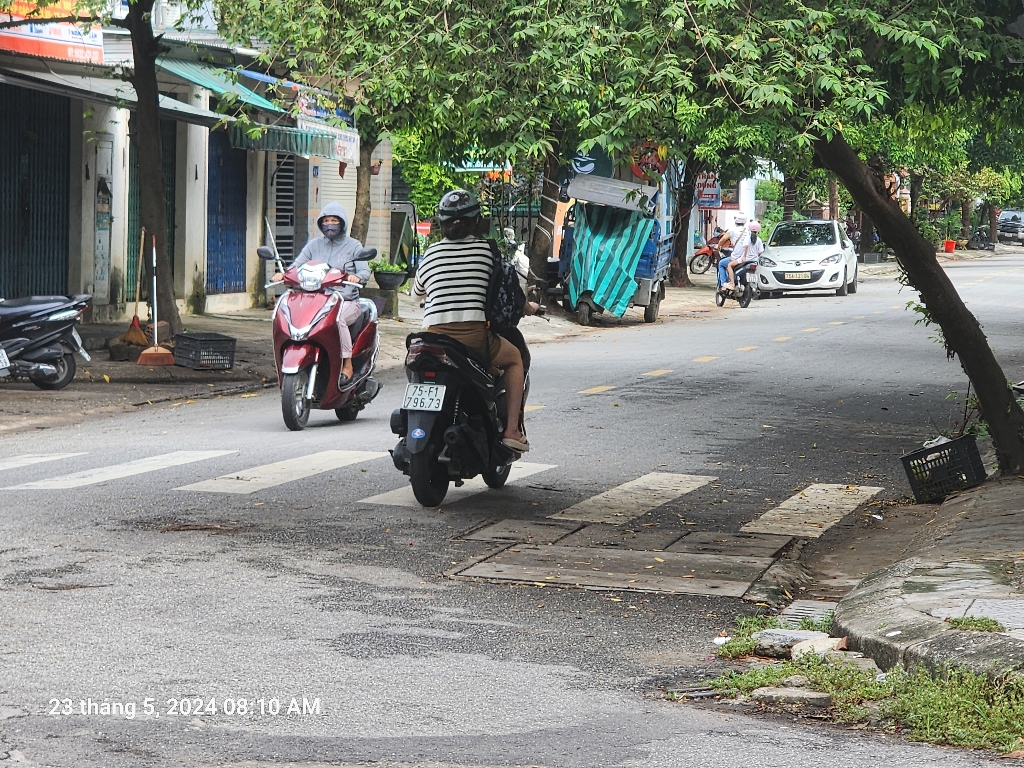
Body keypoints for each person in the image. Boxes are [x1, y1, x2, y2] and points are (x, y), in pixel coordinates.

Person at [412, 189, 529, 452]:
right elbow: (505, 290)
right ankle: (512, 430)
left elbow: (417, 294)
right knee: (514, 359)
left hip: (433, 338)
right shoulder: (487, 251)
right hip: (473, 338)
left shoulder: (431, 252)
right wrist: (528, 307)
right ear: (476, 221)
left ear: (441, 223)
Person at [273, 201, 369, 383]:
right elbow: (296, 266)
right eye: (326, 221)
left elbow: (364, 272)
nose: (329, 224)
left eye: (334, 220)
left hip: (345, 301)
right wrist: (283, 275)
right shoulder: (314, 245)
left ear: (342, 223)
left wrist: (356, 277)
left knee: (338, 319)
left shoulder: (354, 246)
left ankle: (347, 364)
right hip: (317, 300)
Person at [725, 220, 763, 288]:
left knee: (729, 265)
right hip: (755, 260)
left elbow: (746, 246)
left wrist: (744, 256)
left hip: (746, 260)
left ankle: (732, 283)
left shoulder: (747, 238)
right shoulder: (759, 240)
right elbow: (760, 252)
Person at [718, 214, 749, 289]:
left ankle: (723, 284)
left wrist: (719, 246)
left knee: (721, 263)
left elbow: (722, 240)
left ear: (736, 221)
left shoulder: (732, 230)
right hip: (748, 257)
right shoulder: (748, 231)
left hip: (737, 258)